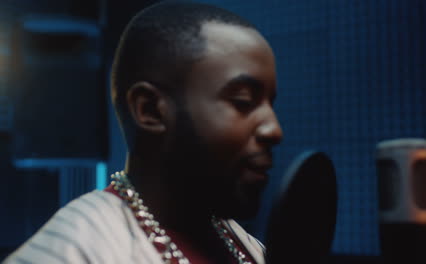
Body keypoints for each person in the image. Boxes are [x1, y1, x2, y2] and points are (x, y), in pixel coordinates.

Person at [3, 1, 283, 263]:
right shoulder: (72, 250)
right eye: (244, 101)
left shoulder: (245, 245)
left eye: (270, 103)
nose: (274, 130)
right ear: (150, 110)